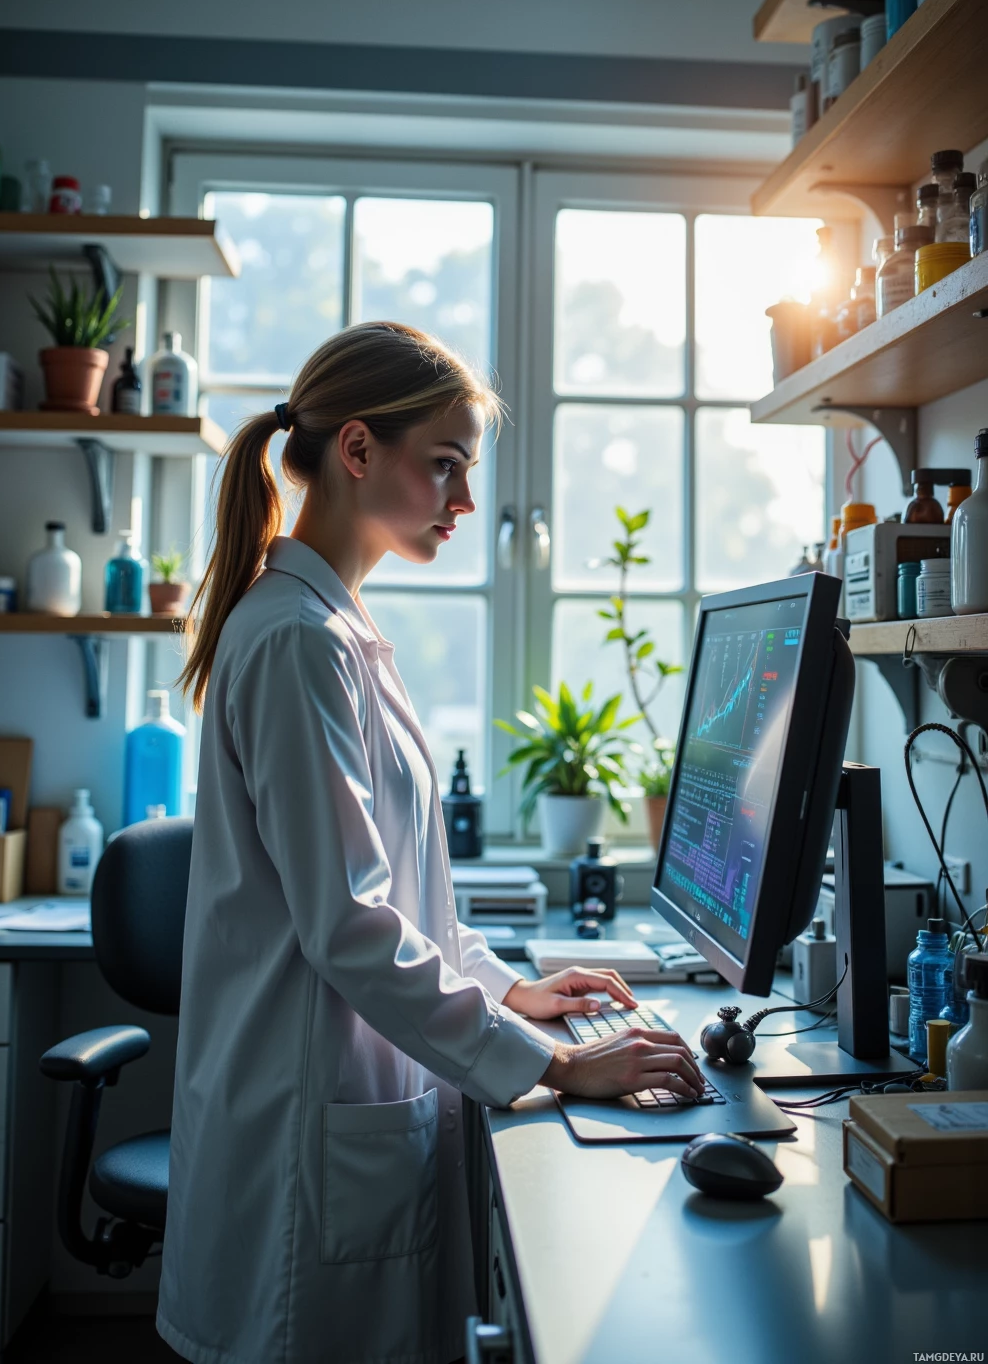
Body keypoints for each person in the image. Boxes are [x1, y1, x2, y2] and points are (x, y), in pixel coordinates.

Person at [157, 321, 704, 1364]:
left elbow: (408, 903)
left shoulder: (338, 629)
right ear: (359, 450)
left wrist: (510, 993)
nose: (464, 501)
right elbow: (354, 927)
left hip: (347, 1113)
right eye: (445, 466)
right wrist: (554, 1066)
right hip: (302, 1140)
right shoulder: (295, 643)